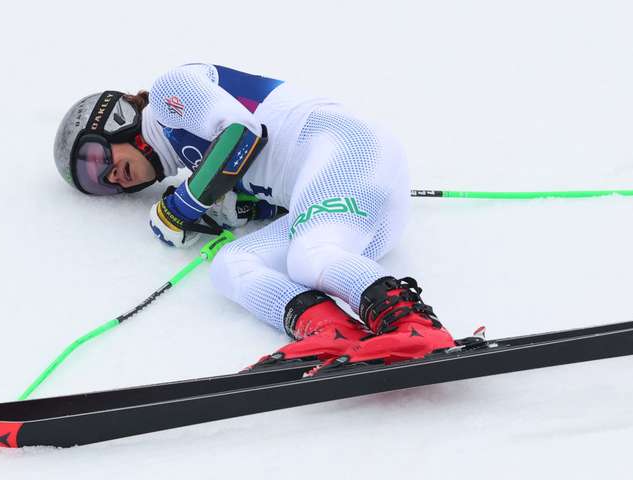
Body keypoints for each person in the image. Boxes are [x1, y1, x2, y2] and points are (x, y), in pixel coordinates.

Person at [53, 63, 455, 373]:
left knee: (310, 256)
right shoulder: (197, 163)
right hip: (352, 210)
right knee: (232, 264)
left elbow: (242, 134)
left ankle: (415, 327)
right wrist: (227, 208)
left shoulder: (168, 92)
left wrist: (184, 206)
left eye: (96, 158)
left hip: (348, 150)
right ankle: (333, 333)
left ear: (117, 120)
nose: (109, 177)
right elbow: (269, 194)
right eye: (95, 183)